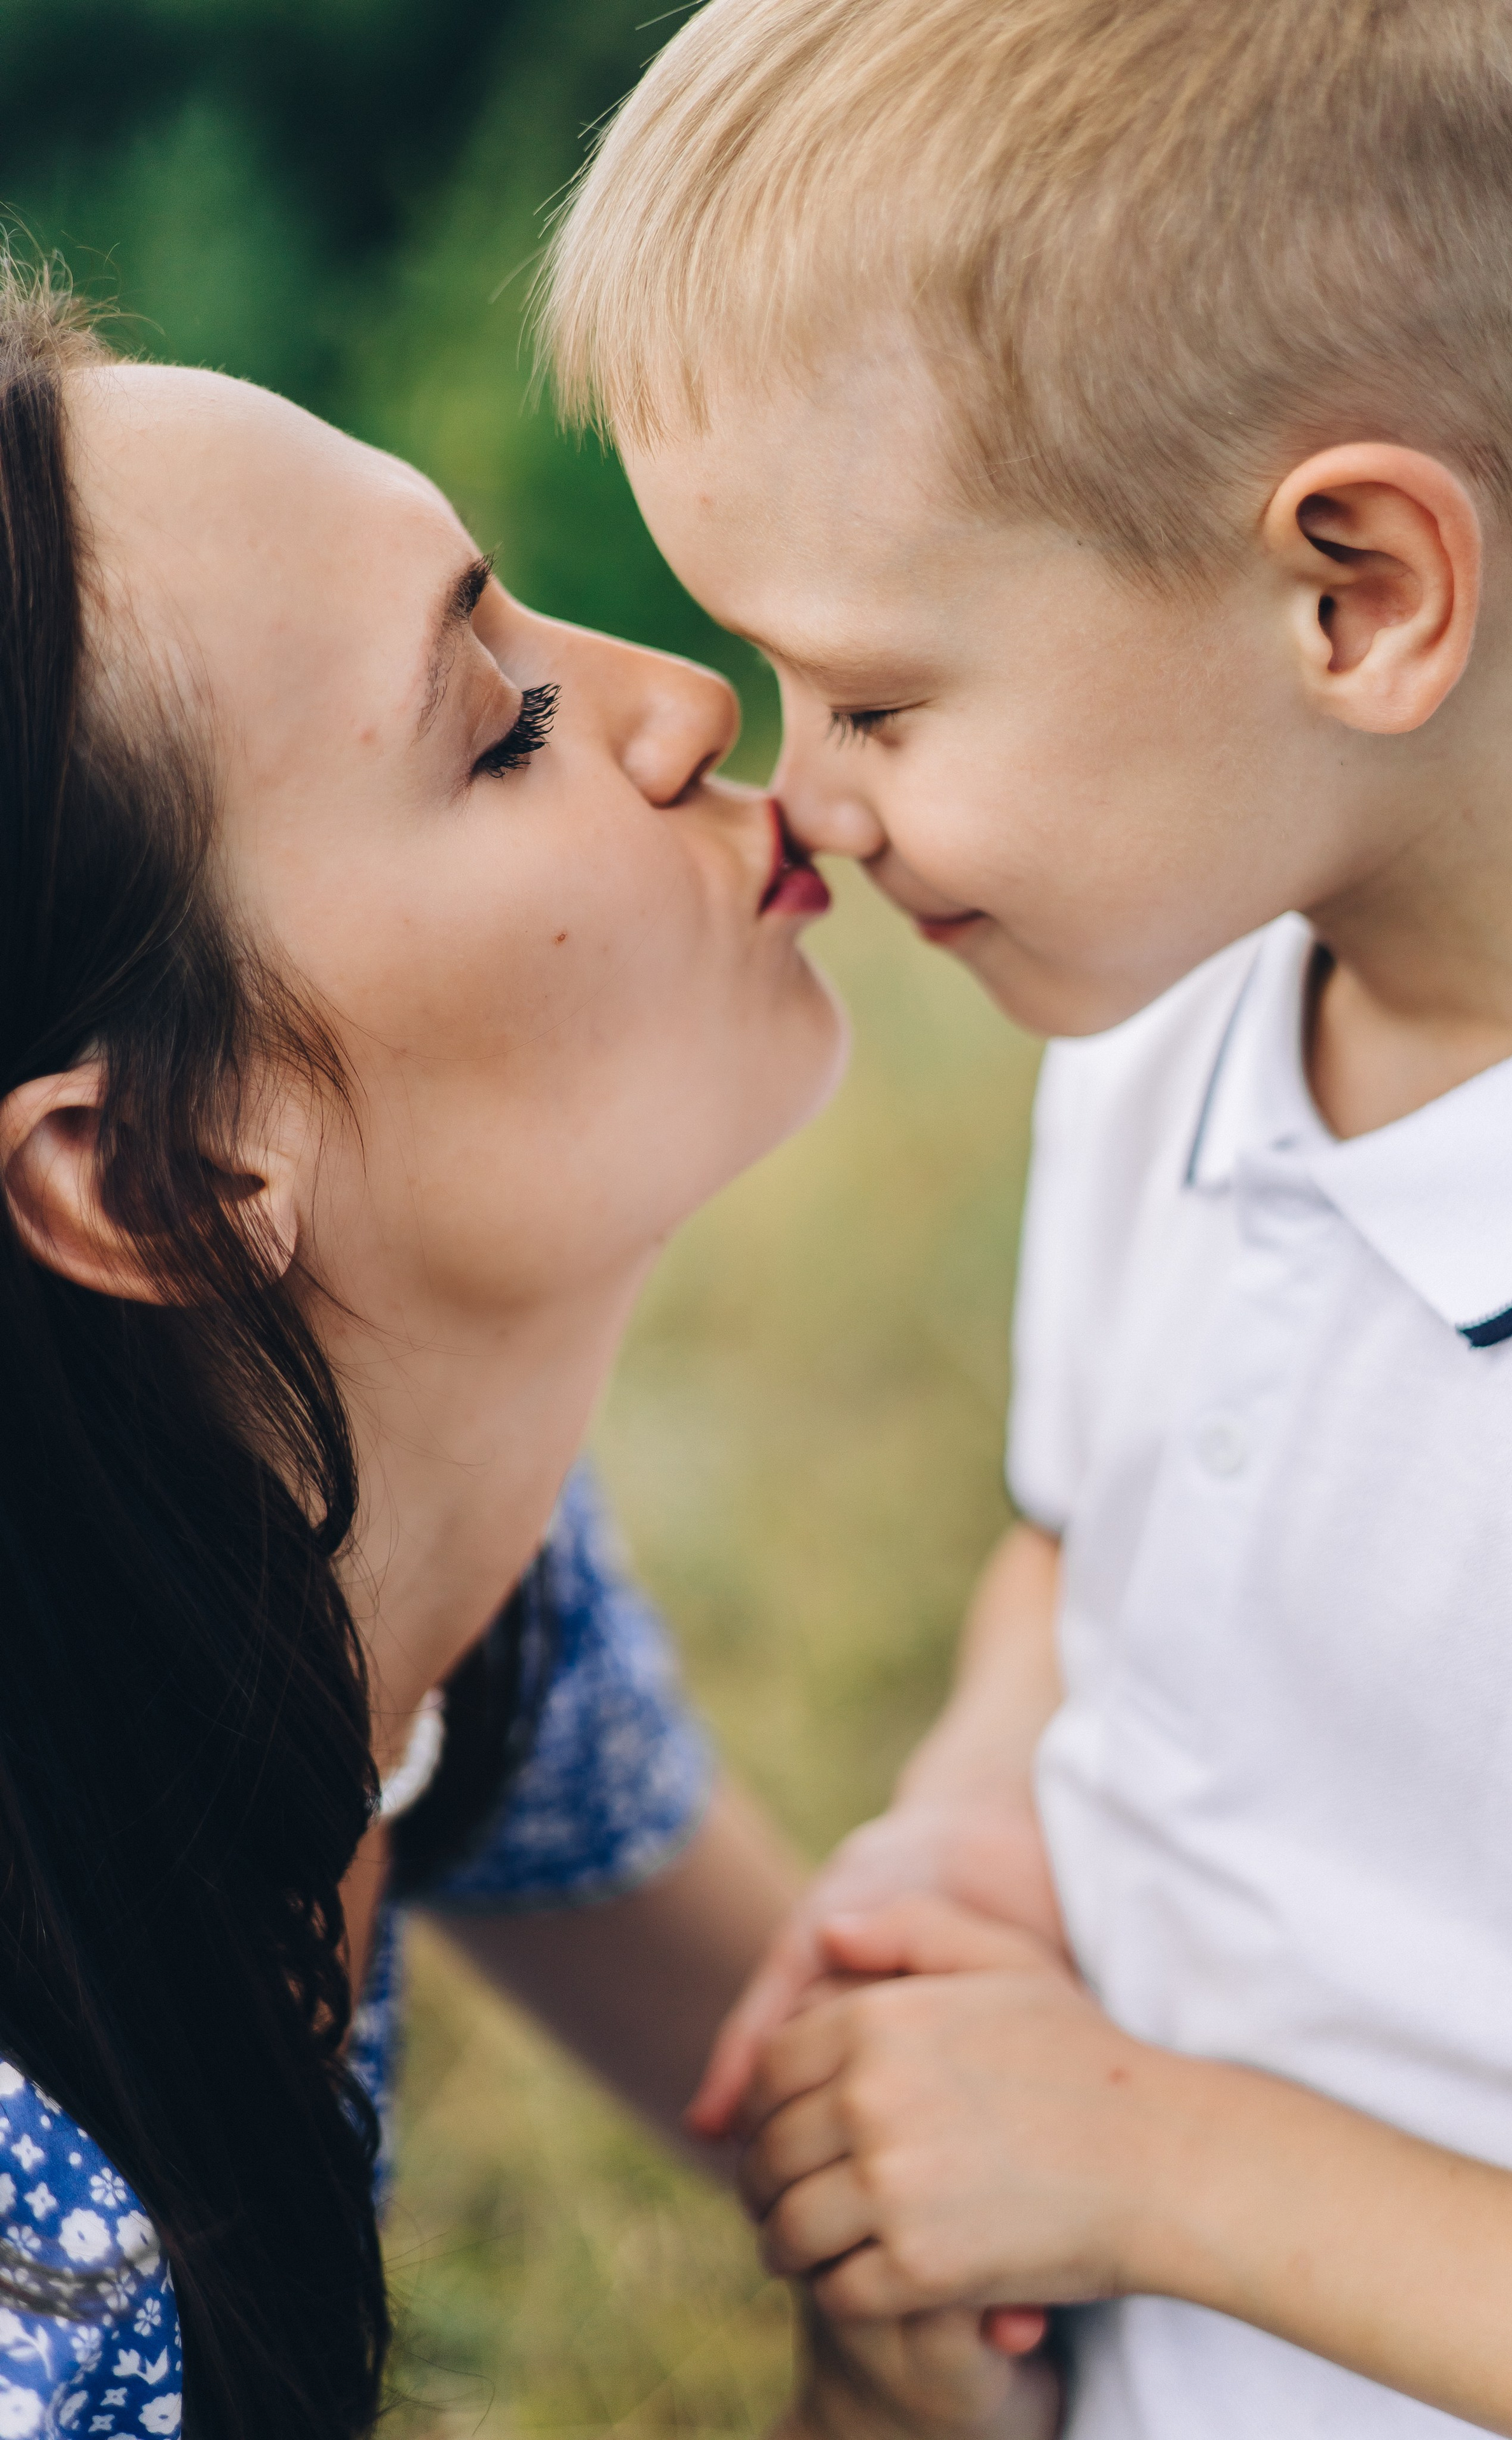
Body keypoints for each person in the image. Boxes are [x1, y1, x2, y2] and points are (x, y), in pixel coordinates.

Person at [543, 1, 1512, 2434]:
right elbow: (1085, 1543)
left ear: (1356, 597)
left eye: (877, 702)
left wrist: (1153, 2172)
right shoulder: (1174, 1012)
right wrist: (973, 1823)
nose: (801, 802)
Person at [0, 266, 855, 2440]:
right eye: (503, 728)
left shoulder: (420, 1566)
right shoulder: (35, 2311)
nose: (690, 706)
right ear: (158, 1169)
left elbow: (869, 2129)